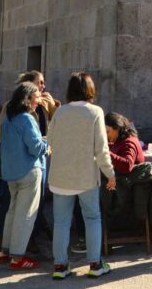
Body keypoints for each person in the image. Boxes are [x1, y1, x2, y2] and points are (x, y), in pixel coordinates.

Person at [46, 73, 114, 279]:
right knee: (92, 218)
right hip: (85, 176)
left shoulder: (60, 112)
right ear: (90, 90)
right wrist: (110, 173)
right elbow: (101, 149)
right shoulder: (95, 112)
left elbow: (51, 141)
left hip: (60, 176)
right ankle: (94, 264)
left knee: (61, 222)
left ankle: (60, 266)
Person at [0, 81, 49, 270]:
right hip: (28, 170)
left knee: (12, 211)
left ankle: (5, 250)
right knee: (26, 215)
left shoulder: (8, 118)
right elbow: (36, 147)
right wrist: (47, 146)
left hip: (11, 172)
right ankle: (17, 257)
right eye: (36, 97)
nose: (38, 101)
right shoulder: (27, 119)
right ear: (28, 99)